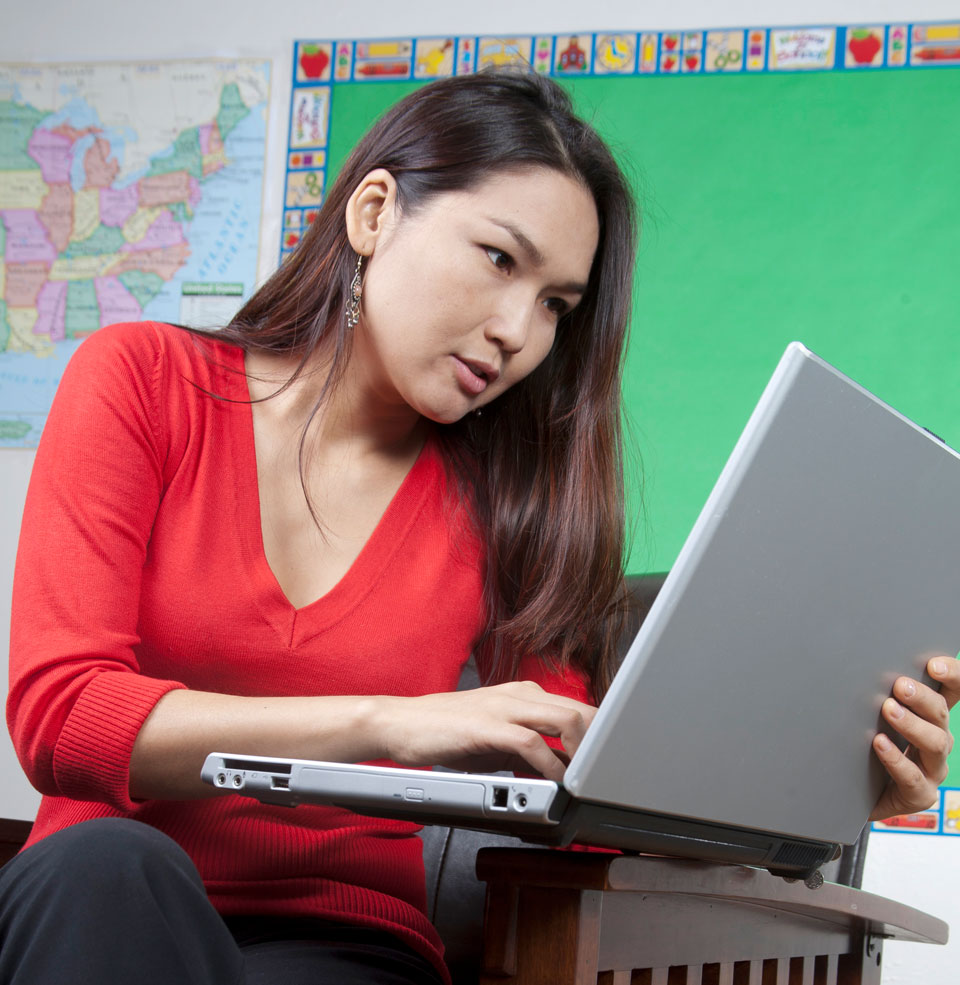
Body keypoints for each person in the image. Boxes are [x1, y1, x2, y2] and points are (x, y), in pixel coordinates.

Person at [1, 69, 956, 985]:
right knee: (109, 870)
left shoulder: (502, 505)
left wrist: (823, 788)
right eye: (500, 258)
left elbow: (577, 792)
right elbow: (63, 716)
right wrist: (394, 723)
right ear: (375, 213)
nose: (517, 332)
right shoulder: (140, 381)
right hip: (102, 901)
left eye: (554, 307)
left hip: (334, 938)